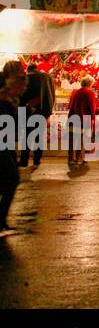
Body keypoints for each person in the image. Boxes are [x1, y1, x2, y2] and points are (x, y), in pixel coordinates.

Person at [1, 62, 28, 233]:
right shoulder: (4, 98)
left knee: (10, 179)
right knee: (11, 179)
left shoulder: (12, 98)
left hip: (7, 144)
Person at [18, 61, 55, 167]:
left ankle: (24, 160)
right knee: (39, 136)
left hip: (29, 110)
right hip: (43, 111)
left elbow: (23, 95)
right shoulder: (47, 77)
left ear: (28, 69)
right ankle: (37, 160)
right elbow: (51, 95)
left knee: (26, 136)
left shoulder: (28, 78)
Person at [66, 78, 98, 168]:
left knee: (72, 140)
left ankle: (71, 159)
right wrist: (92, 120)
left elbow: (69, 106)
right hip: (84, 119)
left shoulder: (74, 92)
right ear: (90, 84)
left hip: (73, 118)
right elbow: (92, 108)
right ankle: (81, 159)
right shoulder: (90, 92)